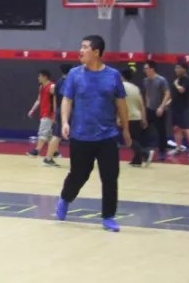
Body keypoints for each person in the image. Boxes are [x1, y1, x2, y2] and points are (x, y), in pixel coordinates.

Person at [54, 35, 130, 233]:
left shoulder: (113, 75)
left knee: (110, 177)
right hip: (81, 135)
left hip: (107, 136)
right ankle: (65, 198)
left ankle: (108, 217)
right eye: (81, 46)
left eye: (85, 47)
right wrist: (65, 122)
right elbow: (67, 100)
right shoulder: (74, 74)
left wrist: (126, 128)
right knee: (79, 175)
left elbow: (121, 103)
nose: (81, 50)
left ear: (96, 52)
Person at [26, 70, 58, 166]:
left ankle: (37, 150)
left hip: (49, 113)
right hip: (43, 112)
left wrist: (55, 114)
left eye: (39, 76)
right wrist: (32, 110)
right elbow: (39, 100)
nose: (38, 78)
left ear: (45, 77)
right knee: (49, 135)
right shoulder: (41, 87)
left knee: (43, 132)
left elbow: (55, 101)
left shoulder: (52, 86)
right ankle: (55, 152)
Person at [142, 60, 171, 161]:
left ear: (152, 69)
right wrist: (147, 106)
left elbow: (167, 93)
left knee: (161, 131)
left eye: (146, 68)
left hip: (159, 110)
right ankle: (144, 151)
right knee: (144, 128)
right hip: (149, 109)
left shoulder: (161, 80)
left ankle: (162, 152)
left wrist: (162, 107)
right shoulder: (145, 81)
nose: (145, 70)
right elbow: (147, 93)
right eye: (144, 69)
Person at [121, 68, 148, 167]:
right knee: (135, 139)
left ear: (122, 77)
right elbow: (142, 104)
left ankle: (144, 153)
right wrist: (144, 118)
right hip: (137, 116)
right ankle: (137, 160)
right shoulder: (136, 88)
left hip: (128, 117)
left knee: (128, 140)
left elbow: (119, 103)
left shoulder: (121, 87)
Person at [169, 61, 189, 158]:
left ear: (184, 69)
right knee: (176, 129)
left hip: (183, 109)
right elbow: (174, 95)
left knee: (186, 129)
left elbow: (182, 90)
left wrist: (176, 84)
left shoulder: (186, 80)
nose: (176, 70)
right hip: (175, 108)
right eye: (175, 68)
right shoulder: (177, 79)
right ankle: (178, 148)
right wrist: (167, 103)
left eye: (178, 68)